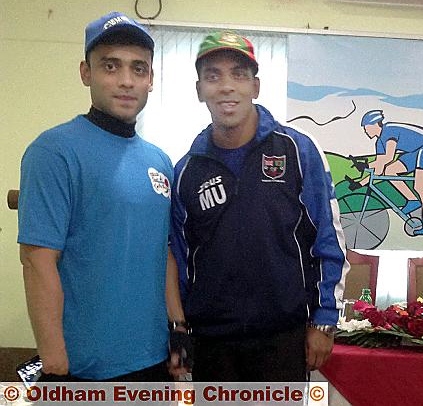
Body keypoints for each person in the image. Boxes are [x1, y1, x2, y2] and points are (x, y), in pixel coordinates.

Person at [18, 11, 190, 381]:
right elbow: (37, 261)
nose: (126, 81)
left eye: (138, 69)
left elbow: (163, 252)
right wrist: (54, 362)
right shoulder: (53, 151)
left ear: (151, 79)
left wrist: (177, 328)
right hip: (82, 368)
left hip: (154, 359)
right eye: (111, 66)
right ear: (86, 73)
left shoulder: (160, 161)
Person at [170, 31, 349, 382]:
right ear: (199, 90)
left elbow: (328, 238)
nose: (226, 87)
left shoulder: (298, 150)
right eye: (213, 76)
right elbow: (178, 257)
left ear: (256, 86)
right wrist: (179, 330)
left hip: (282, 338)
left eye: (238, 74)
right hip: (212, 343)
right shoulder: (186, 171)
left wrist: (324, 320)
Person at [352, 110, 423, 236]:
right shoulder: (379, 143)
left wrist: (366, 165)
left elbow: (389, 158)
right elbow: (379, 170)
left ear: (374, 124)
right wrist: (360, 183)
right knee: (389, 170)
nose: (365, 131)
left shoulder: (389, 131)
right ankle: (413, 200)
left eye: (366, 128)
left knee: (419, 186)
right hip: (414, 151)